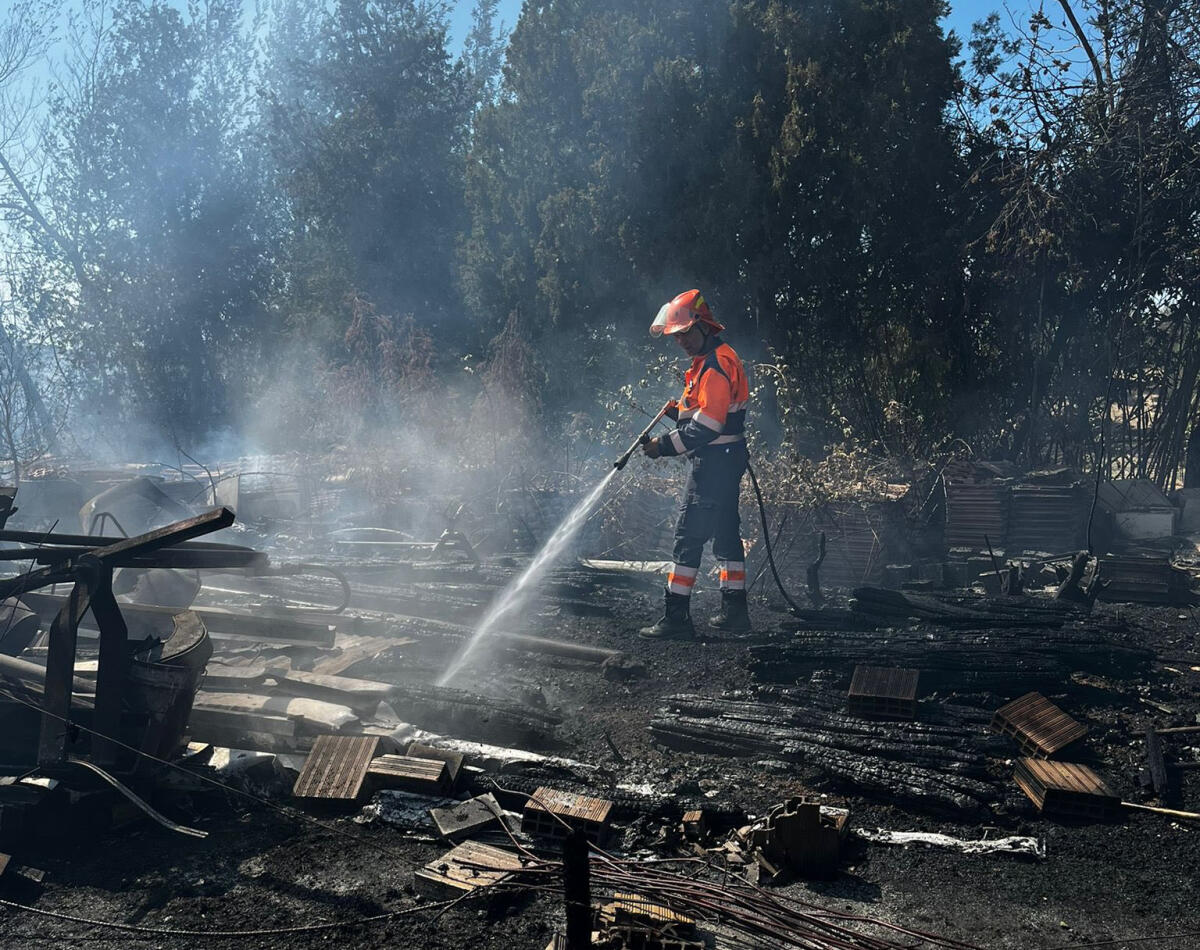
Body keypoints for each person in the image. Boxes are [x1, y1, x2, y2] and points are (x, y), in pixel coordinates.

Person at [638, 289, 751, 639]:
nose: (682, 341)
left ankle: (676, 618)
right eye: (676, 336)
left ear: (703, 326)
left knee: (688, 537)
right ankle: (736, 614)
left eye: (686, 333)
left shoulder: (715, 365)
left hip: (714, 464)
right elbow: (705, 414)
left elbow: (709, 425)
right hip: (726, 461)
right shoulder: (715, 360)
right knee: (727, 537)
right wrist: (680, 413)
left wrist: (663, 447)